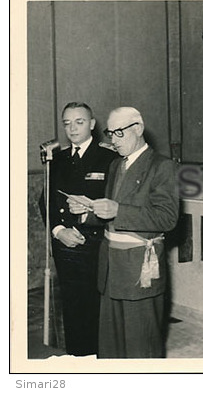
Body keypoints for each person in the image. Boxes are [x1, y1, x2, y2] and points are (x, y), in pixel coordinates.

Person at [71, 106, 179, 358]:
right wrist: (87, 211)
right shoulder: (116, 165)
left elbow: (167, 217)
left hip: (138, 270)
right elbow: (109, 216)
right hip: (110, 269)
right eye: (110, 133)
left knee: (141, 348)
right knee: (111, 348)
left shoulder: (162, 167)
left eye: (119, 133)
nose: (113, 140)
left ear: (138, 129)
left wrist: (117, 210)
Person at [39, 102, 118, 356]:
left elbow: (117, 203)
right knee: (72, 309)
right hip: (65, 246)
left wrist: (88, 215)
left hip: (95, 246)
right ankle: (77, 363)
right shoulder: (57, 159)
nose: (72, 128)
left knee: (97, 311)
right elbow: (46, 201)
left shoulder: (109, 158)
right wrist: (59, 230)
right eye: (67, 123)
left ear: (93, 124)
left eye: (79, 122)